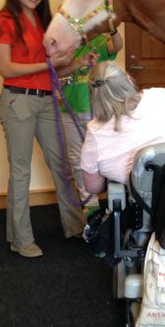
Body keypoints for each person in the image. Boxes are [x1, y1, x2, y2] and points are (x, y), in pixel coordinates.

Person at [0, 0, 86, 258]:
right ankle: (21, 239)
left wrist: (78, 63)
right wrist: (51, 65)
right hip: (18, 101)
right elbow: (6, 68)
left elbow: (56, 69)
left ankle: (77, 227)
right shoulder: (3, 20)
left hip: (46, 100)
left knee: (61, 166)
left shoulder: (45, 22)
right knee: (21, 173)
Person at [80, 61, 165, 195]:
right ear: (128, 79)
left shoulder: (95, 132)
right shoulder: (161, 95)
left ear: (93, 96)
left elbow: (93, 187)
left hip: (147, 204)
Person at [56, 32, 123, 216]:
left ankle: (113, 202)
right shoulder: (64, 48)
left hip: (95, 111)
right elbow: (54, 73)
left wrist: (114, 30)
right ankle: (90, 204)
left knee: (105, 157)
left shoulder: (98, 42)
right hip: (68, 111)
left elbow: (116, 45)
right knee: (77, 160)